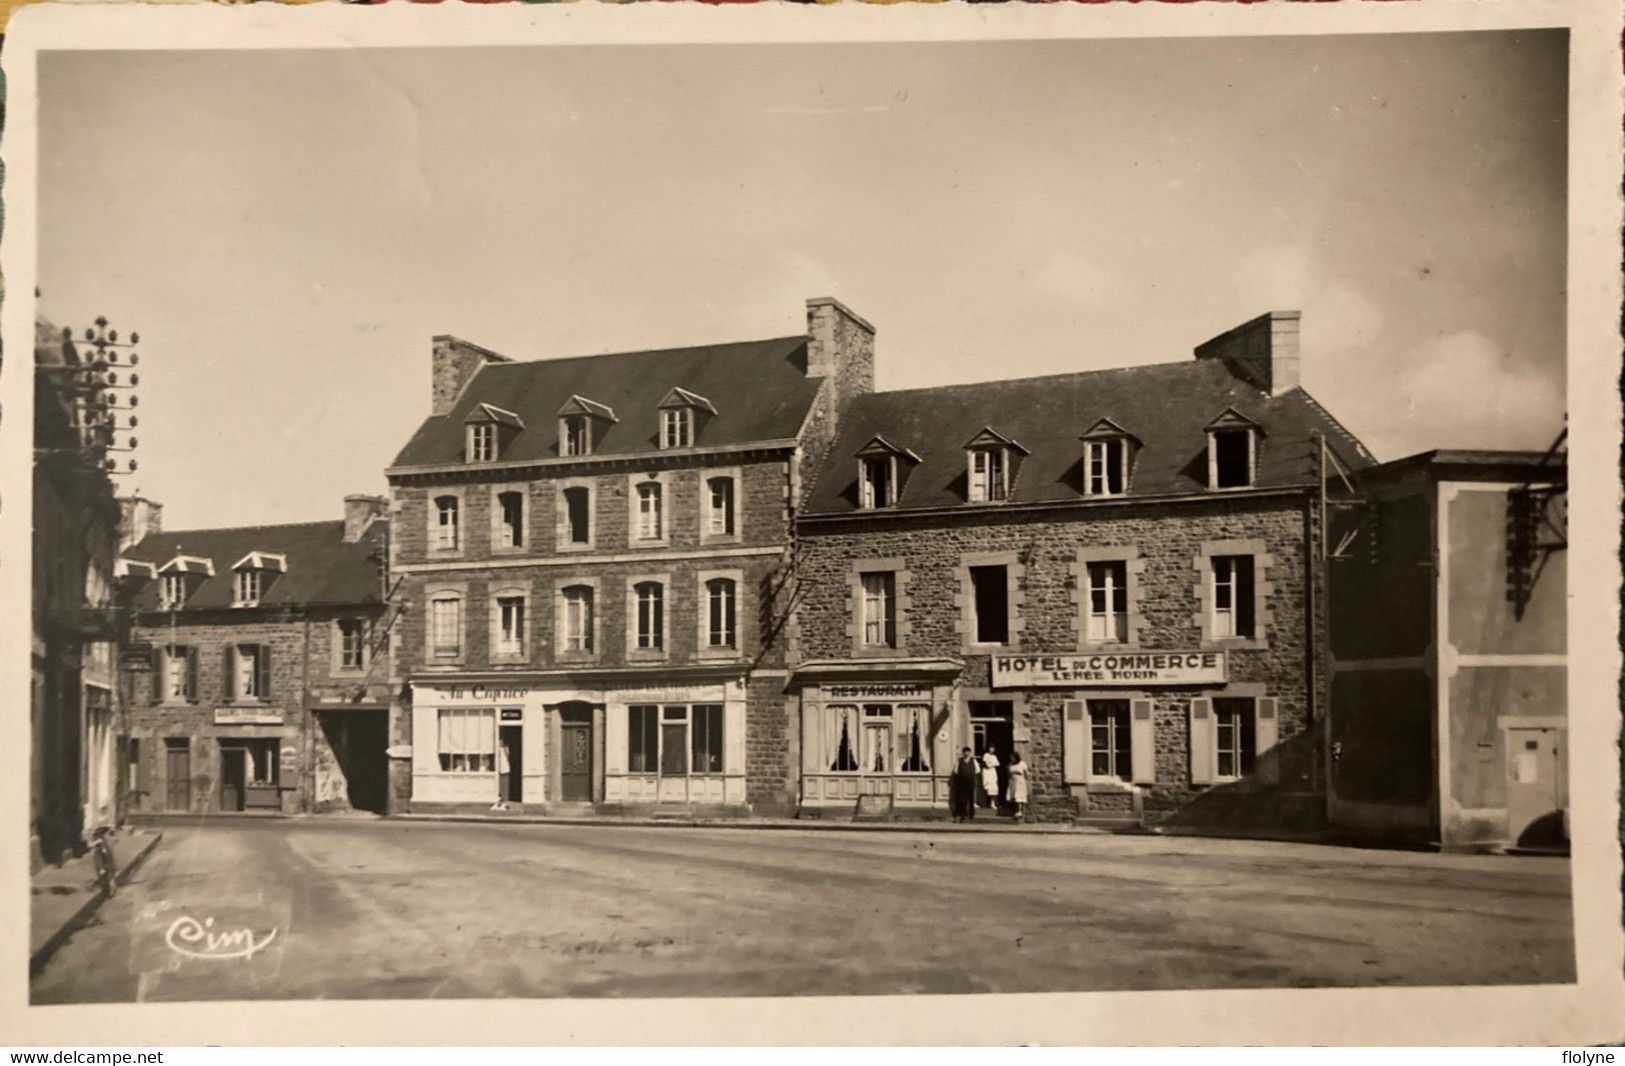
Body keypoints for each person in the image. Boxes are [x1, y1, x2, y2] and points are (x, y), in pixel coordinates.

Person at [950, 747, 979, 823]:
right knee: (962, 799)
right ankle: (963, 814)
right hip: (962, 782)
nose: (966, 753)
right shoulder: (959, 761)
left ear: (969, 753)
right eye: (965, 752)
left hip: (970, 782)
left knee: (971, 798)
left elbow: (978, 770)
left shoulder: (973, 760)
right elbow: (955, 770)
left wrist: (971, 774)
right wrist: (962, 775)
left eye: (968, 752)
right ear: (963, 753)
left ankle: (971, 814)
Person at [1007, 750, 1029, 822]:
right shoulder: (1010, 764)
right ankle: (1015, 810)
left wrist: (1025, 779)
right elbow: (1009, 772)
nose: (1012, 759)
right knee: (1014, 796)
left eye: (1013, 757)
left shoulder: (1022, 764)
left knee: (1019, 796)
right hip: (1013, 781)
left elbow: (1026, 773)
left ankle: (1019, 811)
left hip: (1020, 781)